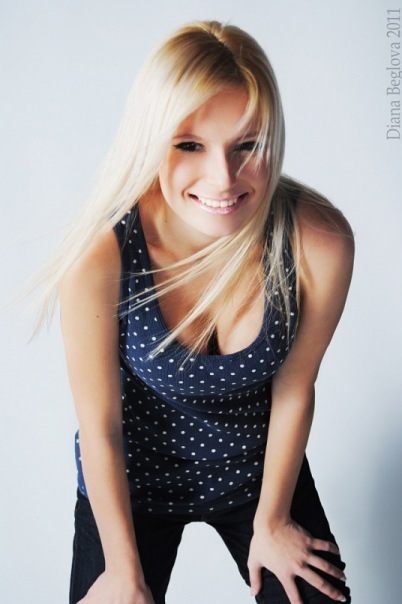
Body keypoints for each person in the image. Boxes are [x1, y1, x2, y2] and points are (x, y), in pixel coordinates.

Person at [38, 20, 354, 604]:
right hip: (133, 482)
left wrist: (273, 521)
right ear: (150, 140)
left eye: (247, 145)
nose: (223, 179)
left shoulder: (317, 241)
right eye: (189, 145)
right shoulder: (103, 253)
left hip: (258, 473)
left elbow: (294, 388)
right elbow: (101, 427)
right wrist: (123, 571)